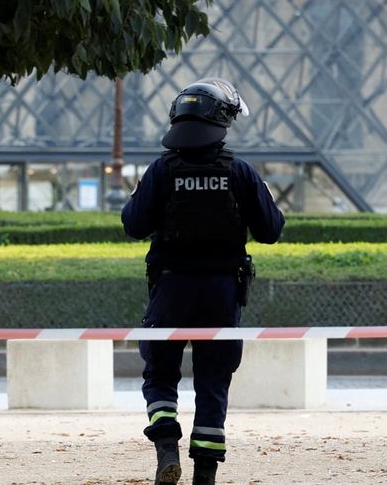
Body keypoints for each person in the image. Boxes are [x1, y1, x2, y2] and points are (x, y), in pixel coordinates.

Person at [122, 79, 286, 485]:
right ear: (221, 120)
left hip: (171, 289)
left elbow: (132, 224)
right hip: (221, 292)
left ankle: (165, 449)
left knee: (160, 375)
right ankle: (205, 476)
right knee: (213, 381)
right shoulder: (240, 172)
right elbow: (270, 230)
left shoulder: (161, 170)